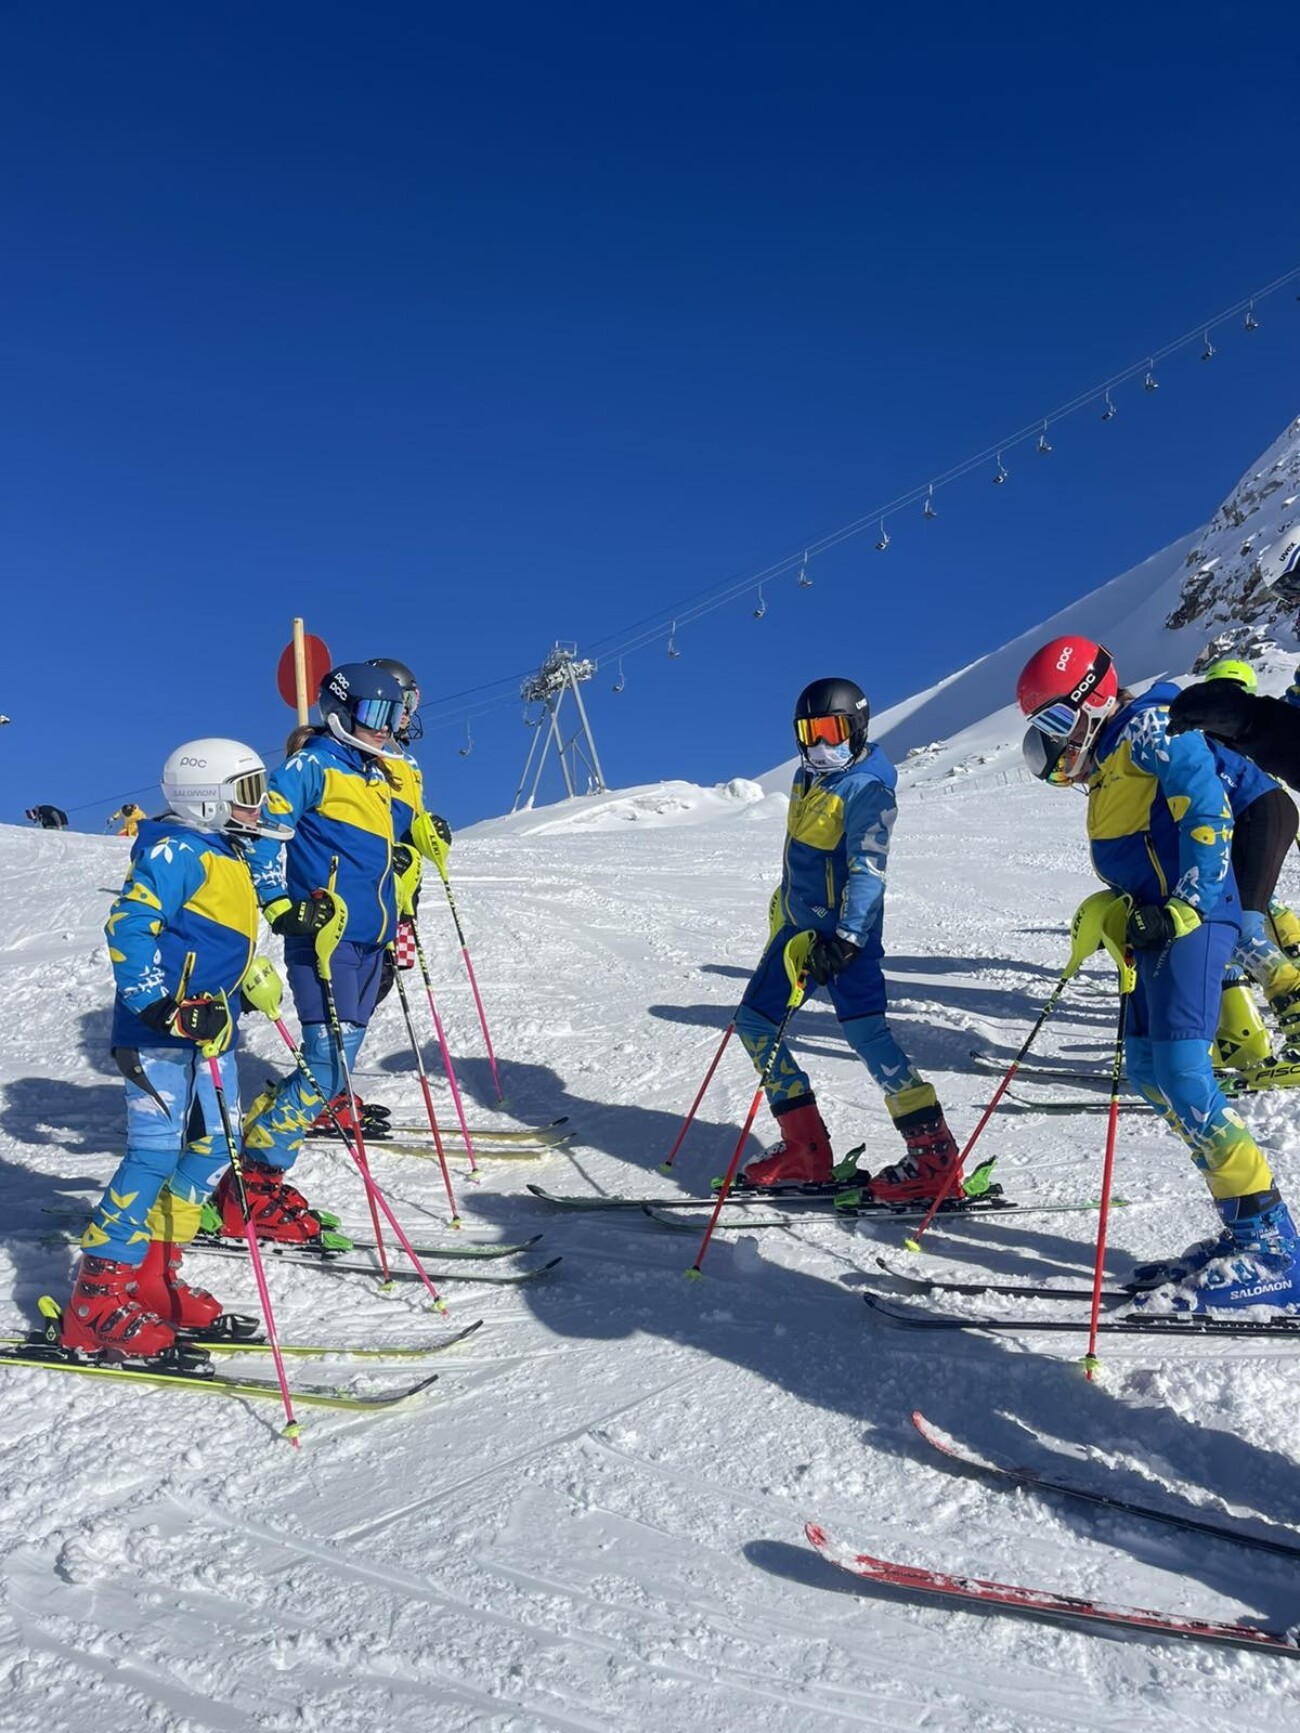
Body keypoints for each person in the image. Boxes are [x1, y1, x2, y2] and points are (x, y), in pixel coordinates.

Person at [1018, 635, 1300, 1312]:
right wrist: (1111, 912)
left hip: (1193, 922)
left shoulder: (1150, 725)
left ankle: (1274, 1247)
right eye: (1037, 738)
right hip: (1155, 929)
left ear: (1092, 700)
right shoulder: (1110, 761)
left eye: (1055, 727)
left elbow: (1207, 814)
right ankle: (1245, 1224)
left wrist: (1186, 907)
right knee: (1147, 1069)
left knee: (1182, 1074)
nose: (1052, 752)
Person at [63, 740, 288, 1358]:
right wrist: (161, 1004)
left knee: (216, 1147)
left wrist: (247, 983)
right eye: (247, 792)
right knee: (153, 1157)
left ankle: (154, 1275)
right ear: (206, 799)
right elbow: (129, 926)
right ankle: (96, 1296)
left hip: (211, 1031)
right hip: (158, 1033)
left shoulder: (230, 854)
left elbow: (210, 943)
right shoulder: (176, 849)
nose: (259, 802)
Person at [734, 677, 962, 1201]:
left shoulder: (867, 788)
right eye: (808, 733)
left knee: (866, 1036)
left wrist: (849, 938)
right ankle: (805, 1150)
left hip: (840, 941)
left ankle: (933, 1156)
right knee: (754, 1024)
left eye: (832, 732)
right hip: (797, 933)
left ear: (856, 729)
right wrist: (784, 908)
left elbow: (868, 870)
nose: (819, 745)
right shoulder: (806, 779)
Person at [222, 662, 408, 1241]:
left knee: (335, 1059)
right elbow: (263, 838)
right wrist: (280, 905)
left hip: (369, 936)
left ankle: (274, 1131)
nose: (388, 727)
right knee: (328, 1060)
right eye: (377, 715)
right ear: (340, 710)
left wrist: (412, 848)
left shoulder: (375, 773)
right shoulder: (311, 767)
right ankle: (253, 1180)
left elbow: (382, 847)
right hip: (324, 934)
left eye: (397, 715)